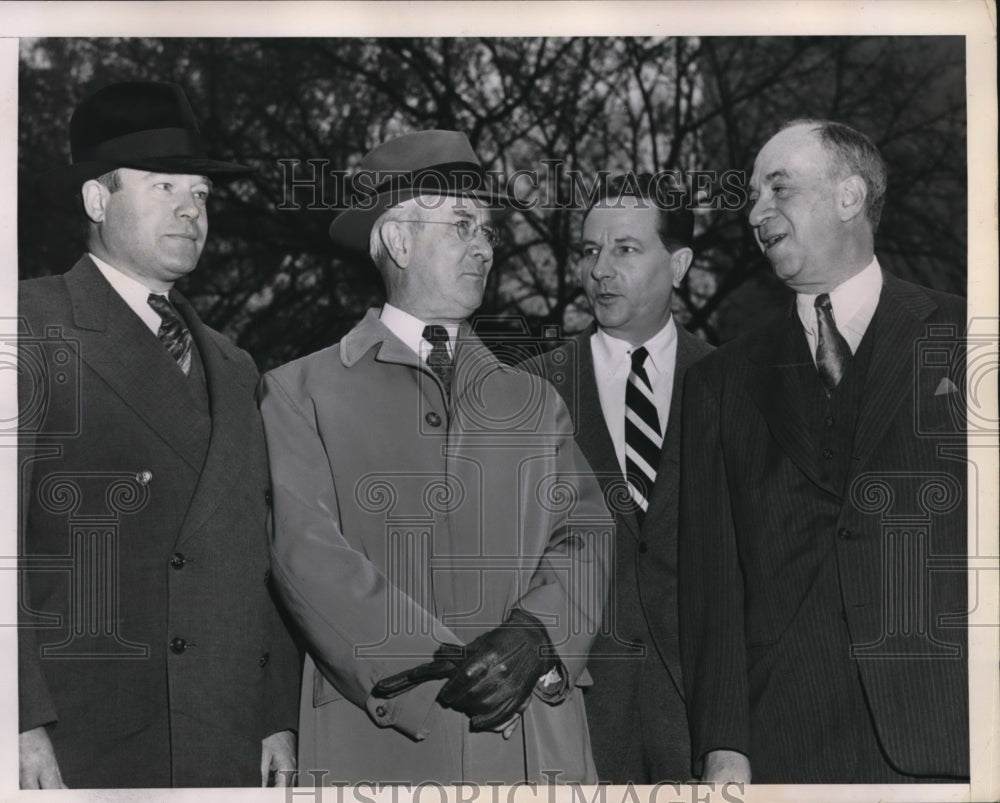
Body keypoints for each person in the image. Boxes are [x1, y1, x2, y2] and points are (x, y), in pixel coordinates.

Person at [258, 129, 612, 785]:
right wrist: (436, 665)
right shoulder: (300, 392)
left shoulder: (535, 400)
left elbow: (585, 533)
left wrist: (537, 636)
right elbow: (306, 555)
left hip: (533, 746)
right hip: (381, 746)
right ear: (397, 240)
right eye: (461, 224)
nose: (485, 246)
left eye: (487, 229)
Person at [17, 80, 300, 789]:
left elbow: (256, 556)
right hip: (80, 740)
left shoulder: (234, 364)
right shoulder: (28, 326)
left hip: (223, 736)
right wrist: (15, 722)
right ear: (95, 200)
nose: (190, 209)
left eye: (201, 193)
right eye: (164, 185)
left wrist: (274, 714)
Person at [679, 119, 969, 784]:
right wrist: (723, 742)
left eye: (777, 187)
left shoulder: (968, 337)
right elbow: (713, 587)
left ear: (849, 196)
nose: (755, 211)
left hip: (957, 740)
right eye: (752, 196)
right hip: (789, 747)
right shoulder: (720, 382)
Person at [520, 174, 712, 783]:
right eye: (589, 251)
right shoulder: (527, 391)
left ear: (678, 264)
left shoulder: (734, 384)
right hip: (572, 718)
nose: (600, 269)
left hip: (704, 723)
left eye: (625, 249)